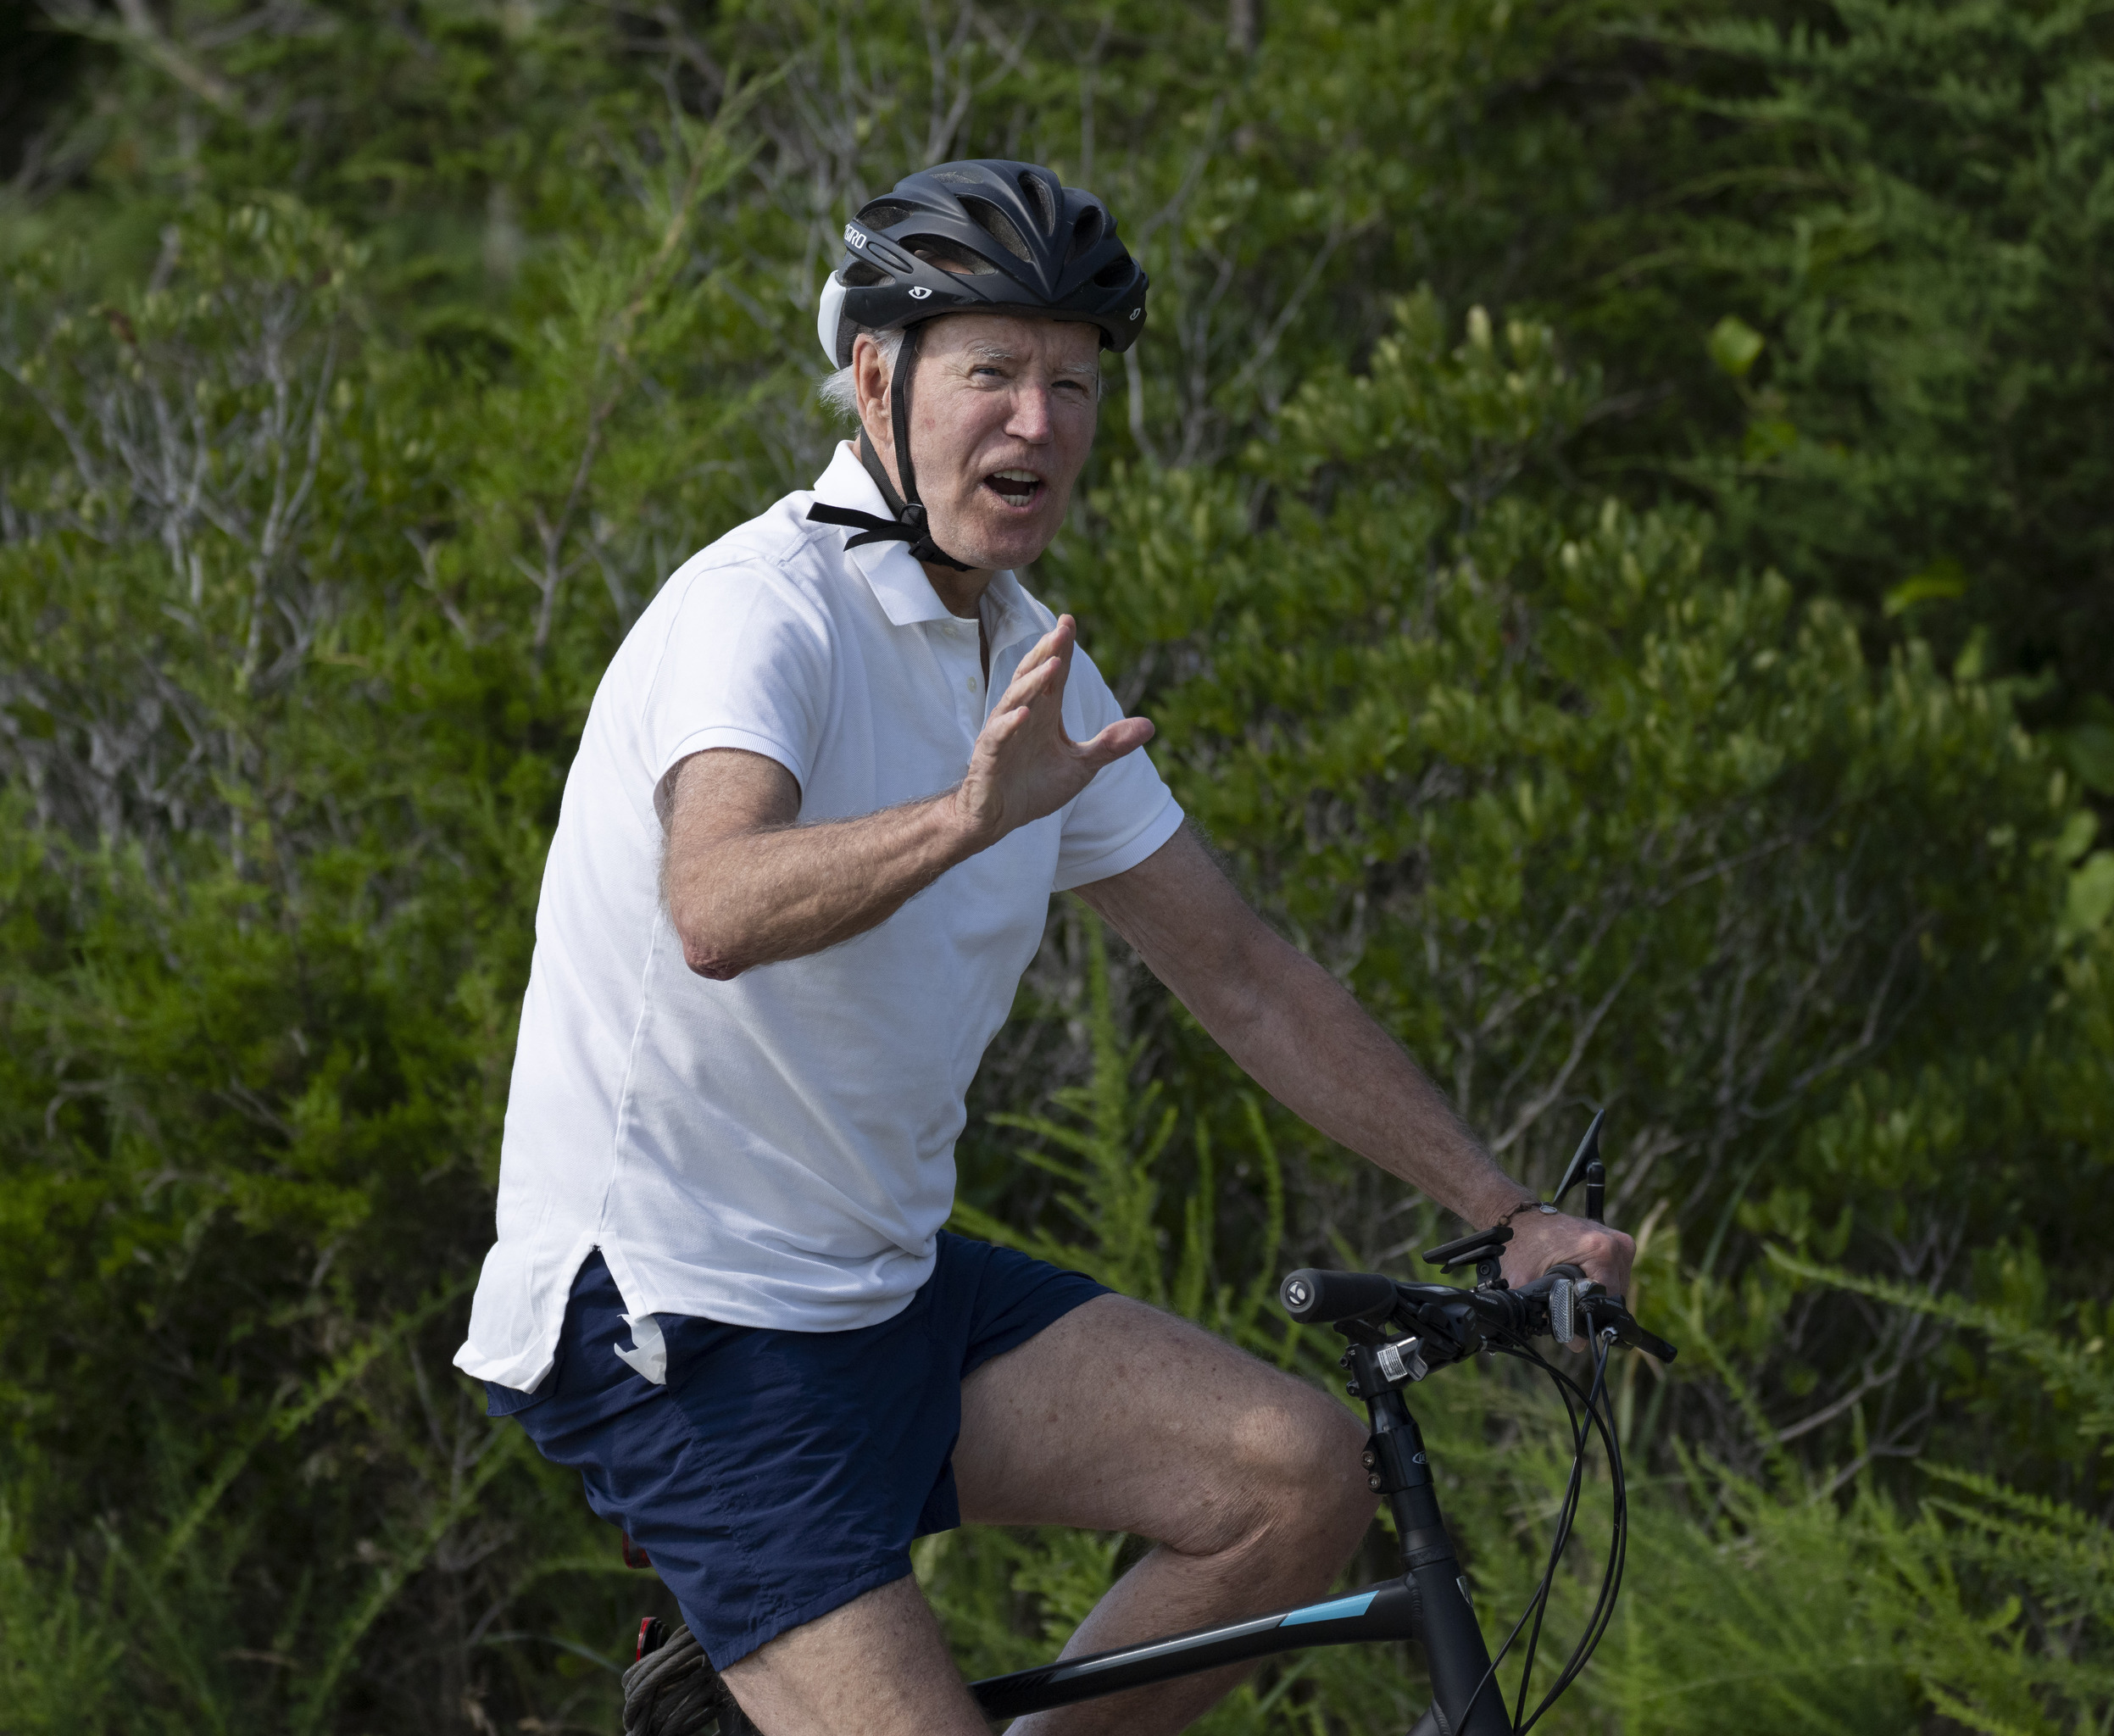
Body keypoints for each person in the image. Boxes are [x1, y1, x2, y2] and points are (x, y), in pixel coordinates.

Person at [453, 159, 1633, 1736]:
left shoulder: (1038, 666)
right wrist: (963, 816)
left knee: (1295, 1481)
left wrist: (1506, 1210)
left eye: (1071, 383)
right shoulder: (763, 613)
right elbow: (715, 905)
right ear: (878, 380)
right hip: (680, 1321)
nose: (1038, 421)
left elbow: (1245, 975)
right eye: (992, 372)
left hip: (884, 1296)